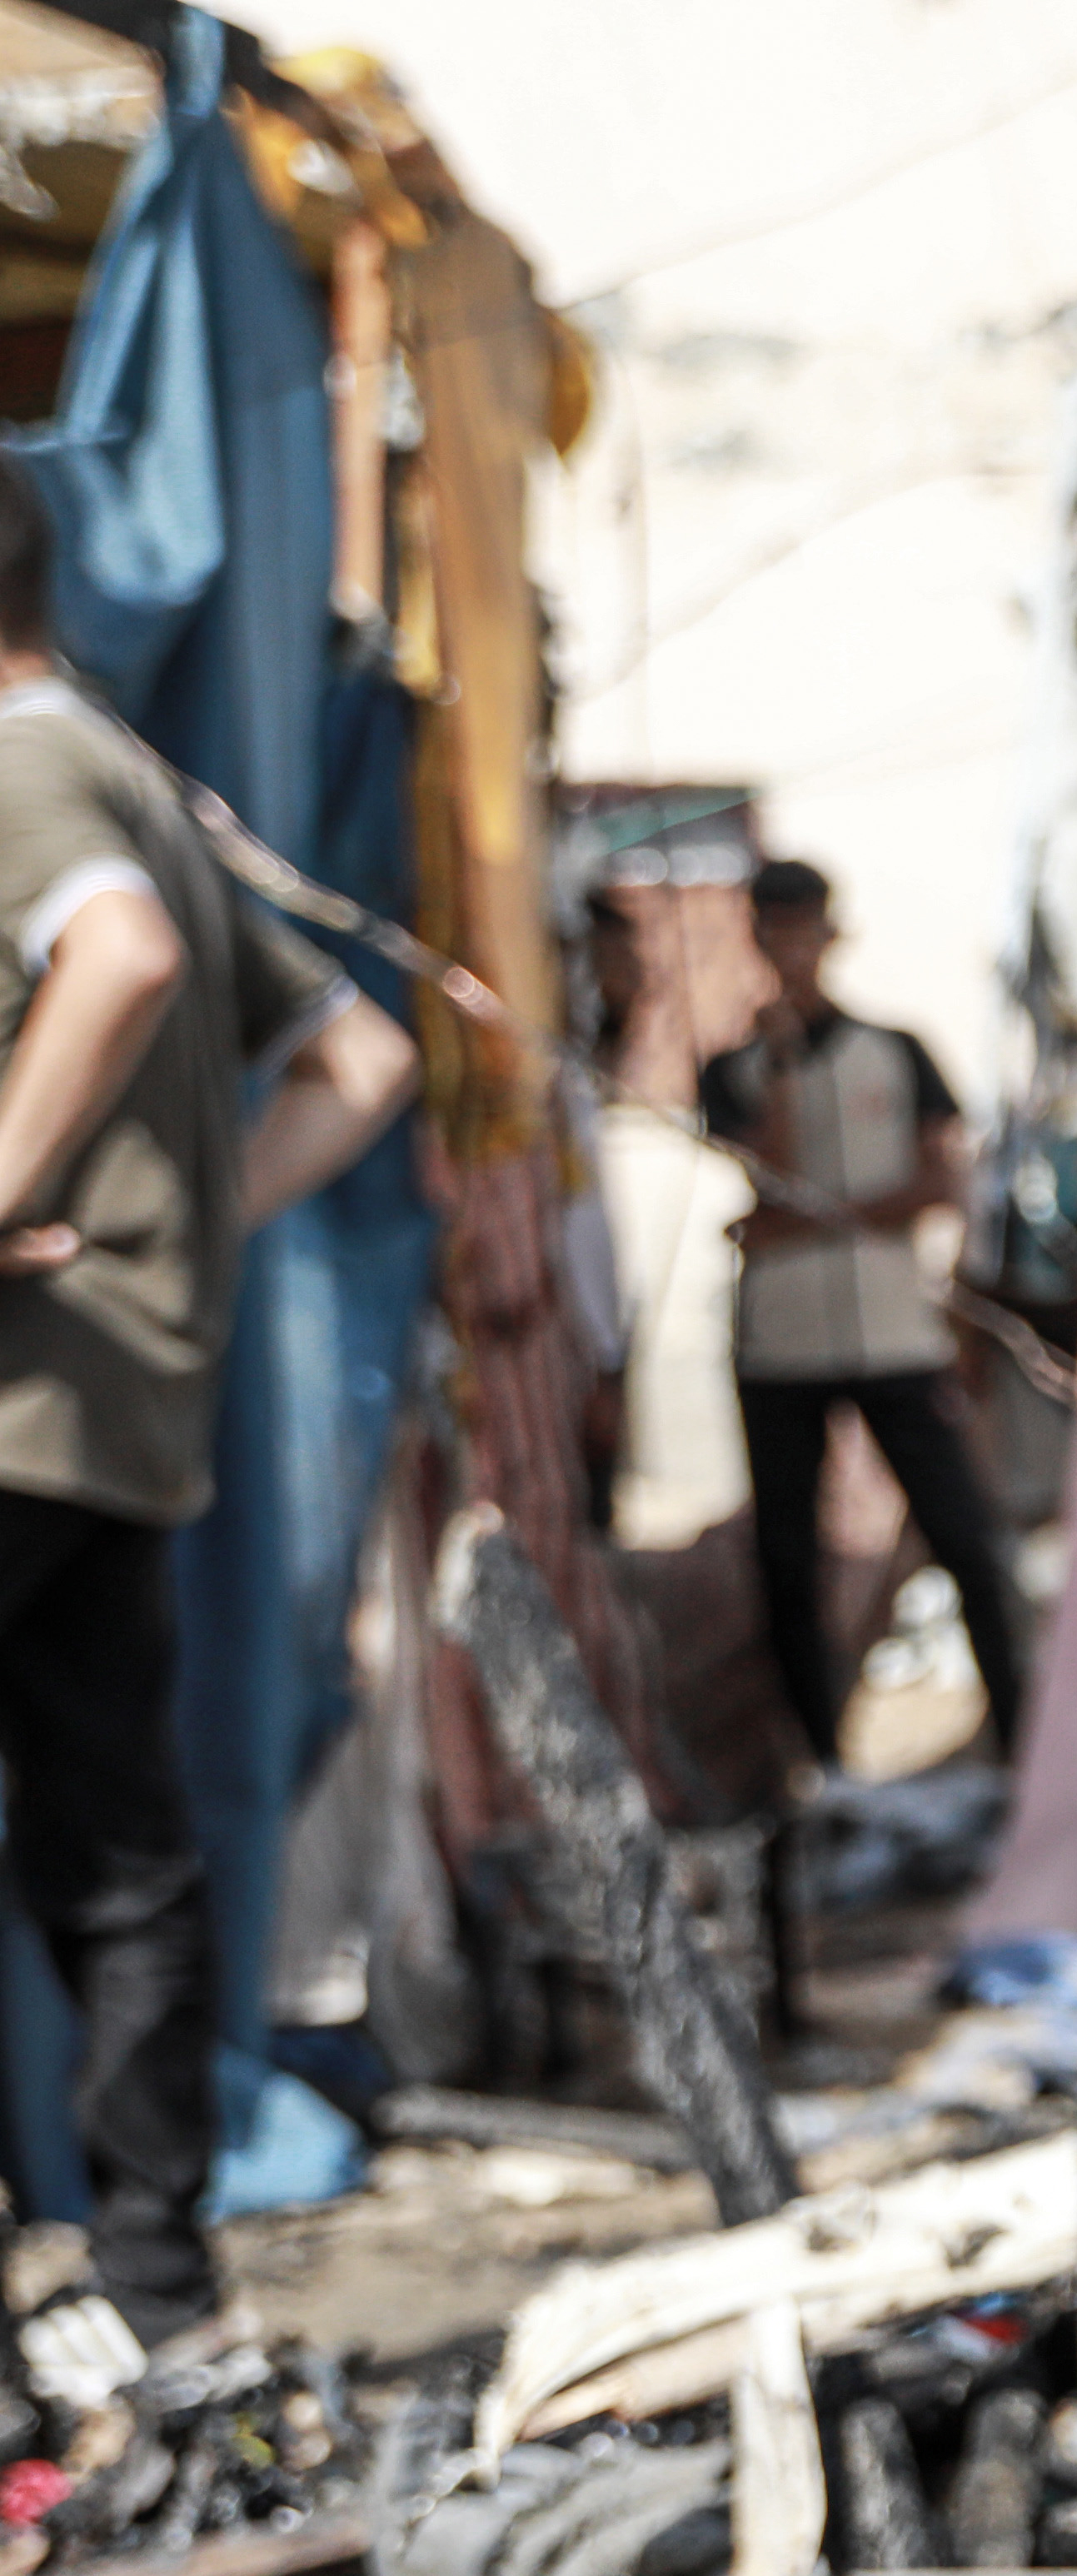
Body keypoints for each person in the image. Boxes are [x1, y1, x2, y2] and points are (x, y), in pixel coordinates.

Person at [0, 449, 426, 2394]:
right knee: (121, 1848)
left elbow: (124, 957)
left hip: (20, 1401)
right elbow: (363, 1052)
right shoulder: (139, 777)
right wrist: (197, 1233)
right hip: (128, 1409)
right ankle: (155, 2286)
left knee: (109, 1848)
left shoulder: (28, 770)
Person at [697, 857, 1030, 1771]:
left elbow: (938, 1183)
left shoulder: (899, 1050)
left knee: (965, 1538)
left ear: (828, 935)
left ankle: (1017, 1746)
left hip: (892, 1336)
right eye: (776, 932)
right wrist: (779, 1075)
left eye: (804, 930)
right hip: (781, 1351)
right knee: (789, 1561)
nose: (792, 950)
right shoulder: (730, 1068)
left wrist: (783, 1229)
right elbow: (773, 1167)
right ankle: (822, 1763)